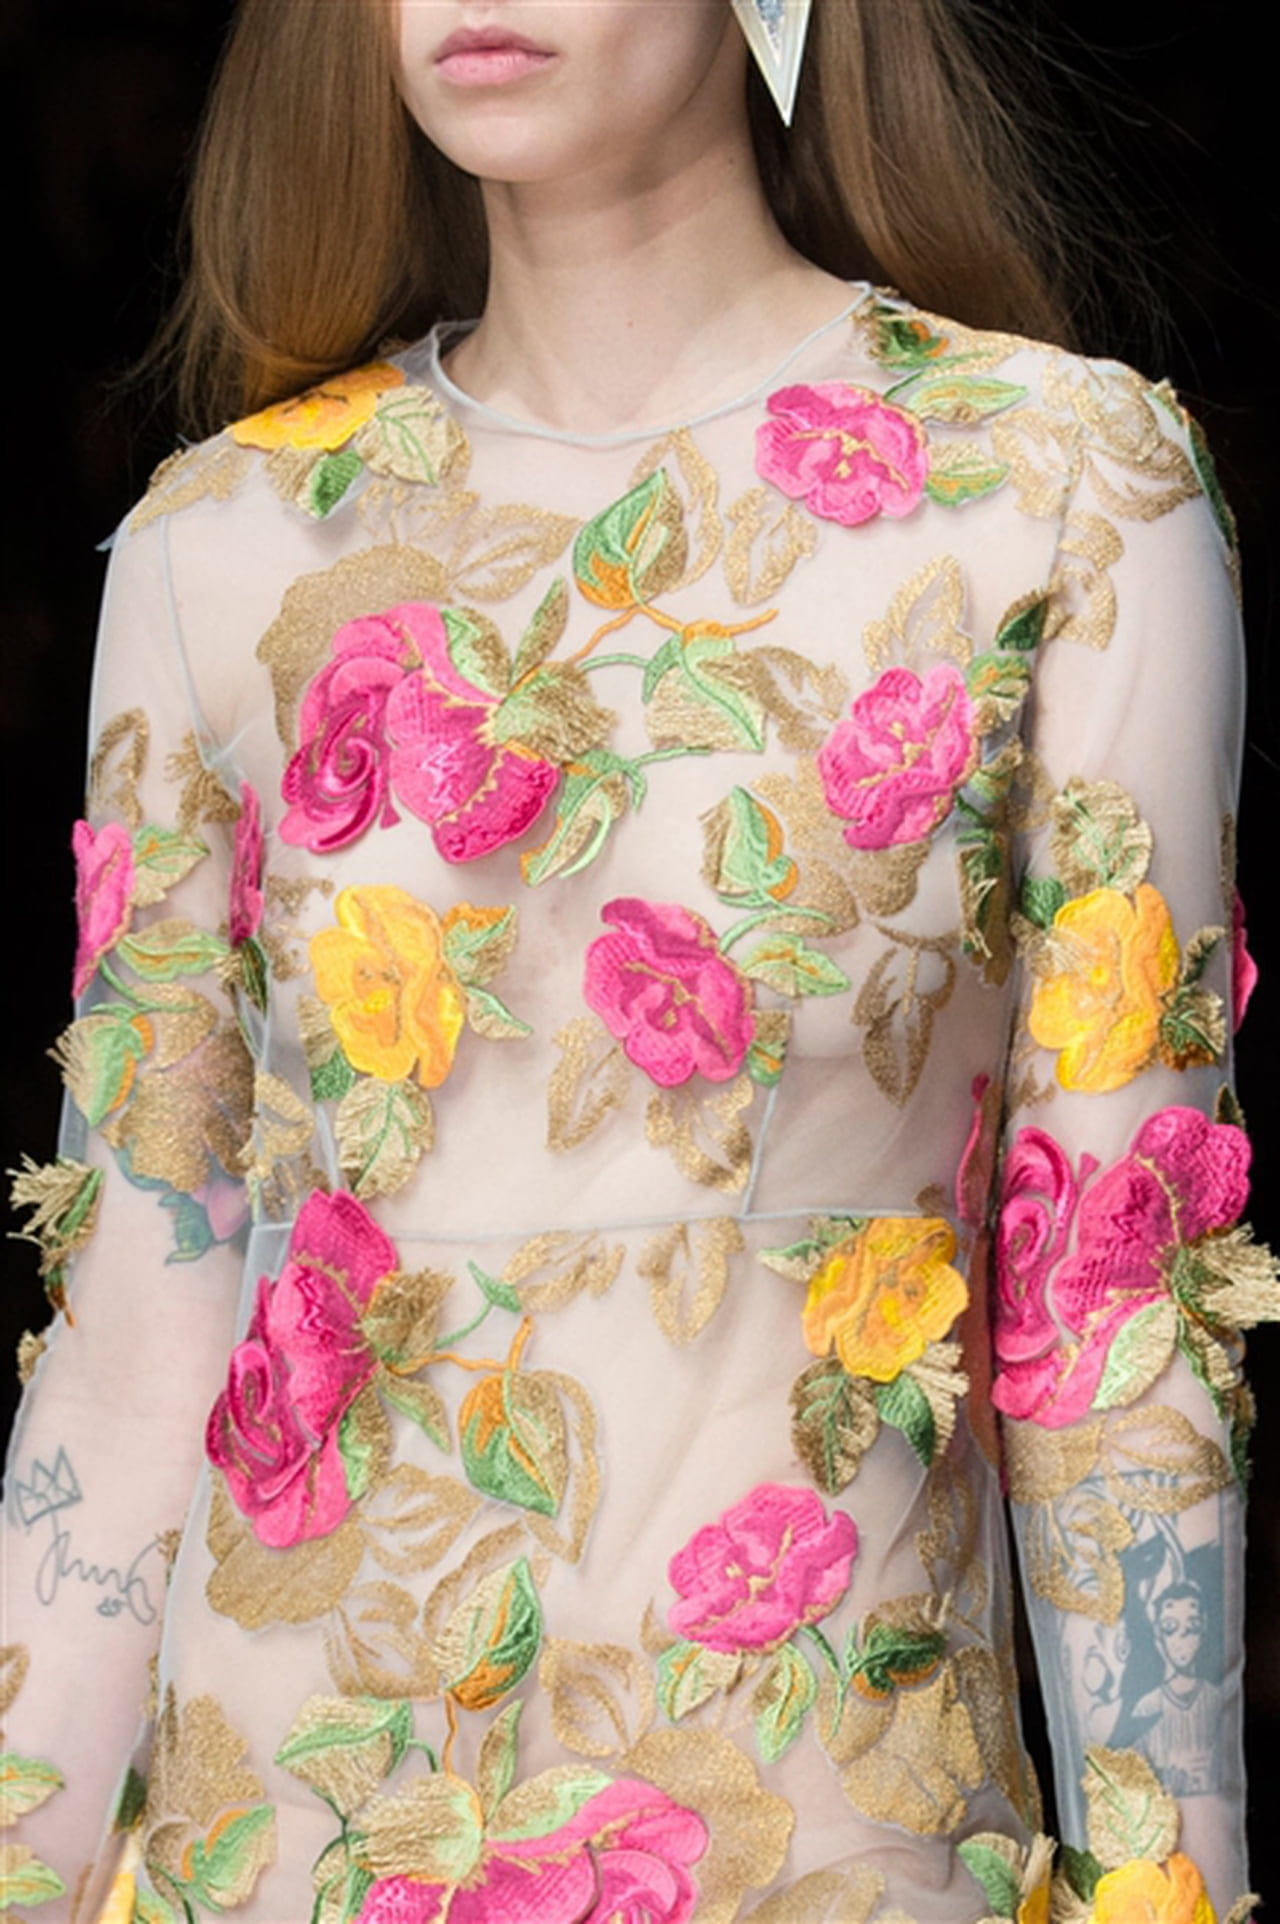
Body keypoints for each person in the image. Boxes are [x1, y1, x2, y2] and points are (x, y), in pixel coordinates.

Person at [2, 2, 1272, 1919]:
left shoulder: (1064, 494)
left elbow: (1116, 1340)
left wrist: (1172, 1890)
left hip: (831, 1847)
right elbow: (129, 1345)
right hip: (279, 1844)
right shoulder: (225, 544)